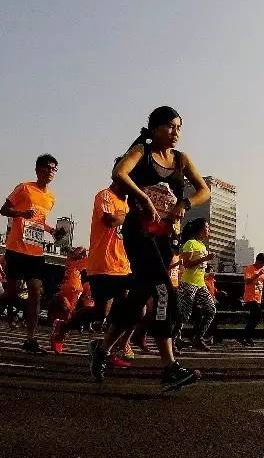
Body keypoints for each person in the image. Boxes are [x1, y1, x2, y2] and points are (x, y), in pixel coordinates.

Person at [109, 107, 206, 391]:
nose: (175, 133)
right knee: (164, 290)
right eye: (169, 127)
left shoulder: (181, 159)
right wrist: (143, 198)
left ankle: (102, 350)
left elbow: (204, 190)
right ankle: (169, 367)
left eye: (179, 127)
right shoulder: (142, 150)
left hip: (165, 237)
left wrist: (184, 204)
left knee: (140, 295)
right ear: (154, 128)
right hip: (139, 232)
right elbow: (120, 173)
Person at [0, 154, 65, 354]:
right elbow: (4, 210)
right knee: (10, 293)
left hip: (36, 250)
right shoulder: (24, 188)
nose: (51, 172)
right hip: (17, 248)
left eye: (54, 169)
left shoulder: (51, 198)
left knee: (35, 291)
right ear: (37, 170)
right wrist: (21, 214)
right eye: (47, 168)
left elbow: (38, 221)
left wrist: (52, 231)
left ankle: (30, 339)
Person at [79, 175, 133, 371]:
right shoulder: (105, 196)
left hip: (123, 267)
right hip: (102, 265)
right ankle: (64, 327)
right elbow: (109, 221)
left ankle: (106, 350)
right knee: (101, 312)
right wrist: (131, 217)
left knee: (132, 309)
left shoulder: (127, 204)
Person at [177, 218, 217, 351]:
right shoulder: (190, 244)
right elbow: (186, 264)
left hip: (200, 284)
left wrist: (206, 275)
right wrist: (205, 258)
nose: (208, 229)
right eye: (207, 227)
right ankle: (175, 340)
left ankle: (198, 338)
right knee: (184, 314)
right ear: (200, 229)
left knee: (211, 310)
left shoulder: (202, 245)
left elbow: (199, 268)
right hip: (188, 284)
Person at [44, 246, 87, 353]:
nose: (81, 255)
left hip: (73, 291)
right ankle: (58, 336)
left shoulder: (75, 264)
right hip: (70, 290)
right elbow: (89, 258)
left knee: (68, 315)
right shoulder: (73, 263)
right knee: (69, 314)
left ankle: (58, 335)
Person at [239, 252, 264, 346]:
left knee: (255, 317)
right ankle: (245, 336)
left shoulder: (262, 270)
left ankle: (245, 337)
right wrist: (258, 274)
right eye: (262, 263)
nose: (263, 265)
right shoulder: (249, 268)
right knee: (257, 315)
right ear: (258, 261)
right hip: (250, 297)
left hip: (258, 298)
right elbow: (247, 281)